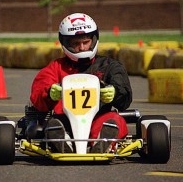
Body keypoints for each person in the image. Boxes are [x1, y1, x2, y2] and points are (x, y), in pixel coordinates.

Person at [30, 13, 132, 153]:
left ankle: (100, 142)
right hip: (65, 120)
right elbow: (38, 93)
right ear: (65, 43)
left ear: (94, 39)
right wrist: (49, 93)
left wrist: (115, 93)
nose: (82, 48)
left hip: (99, 118)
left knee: (114, 119)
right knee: (53, 124)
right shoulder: (56, 67)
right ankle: (64, 141)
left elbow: (124, 95)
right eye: (76, 44)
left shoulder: (110, 66)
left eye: (86, 42)